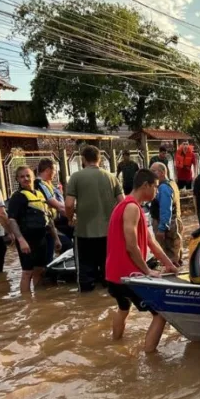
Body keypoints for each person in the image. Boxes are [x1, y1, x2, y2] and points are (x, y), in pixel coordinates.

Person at [105, 169, 179, 352]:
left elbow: (150, 242)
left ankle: (115, 346)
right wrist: (147, 271)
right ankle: (151, 357)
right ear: (145, 185)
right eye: (155, 187)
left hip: (113, 275)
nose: (156, 192)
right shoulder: (131, 207)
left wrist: (169, 264)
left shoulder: (127, 205)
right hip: (128, 276)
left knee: (123, 308)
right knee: (161, 313)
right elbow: (132, 245)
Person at [65, 145, 124, 292]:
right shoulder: (112, 177)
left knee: (85, 278)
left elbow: (69, 204)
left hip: (84, 233)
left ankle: (87, 308)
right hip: (109, 233)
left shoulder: (76, 177)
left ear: (83, 159)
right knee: (108, 275)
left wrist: (70, 218)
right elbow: (123, 204)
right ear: (100, 159)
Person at [8, 166, 61, 293]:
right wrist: (21, 240)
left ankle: (37, 301)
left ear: (33, 176)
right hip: (27, 240)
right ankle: (26, 302)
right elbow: (12, 220)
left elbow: (48, 218)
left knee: (39, 270)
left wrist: (56, 238)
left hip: (41, 239)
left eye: (28, 175)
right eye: (22, 176)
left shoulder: (40, 194)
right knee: (27, 272)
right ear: (17, 179)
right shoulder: (17, 197)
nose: (26, 179)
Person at [35, 158, 72, 261]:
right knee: (67, 245)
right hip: (48, 225)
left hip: (56, 222)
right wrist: (73, 214)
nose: (56, 173)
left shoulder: (48, 184)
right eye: (55, 170)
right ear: (47, 170)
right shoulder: (40, 184)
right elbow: (59, 206)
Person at [149, 162, 183, 266]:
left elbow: (165, 209)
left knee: (170, 256)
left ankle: (171, 275)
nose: (151, 174)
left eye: (153, 171)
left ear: (162, 173)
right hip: (174, 221)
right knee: (175, 252)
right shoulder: (171, 183)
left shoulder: (163, 188)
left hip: (167, 225)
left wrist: (161, 229)